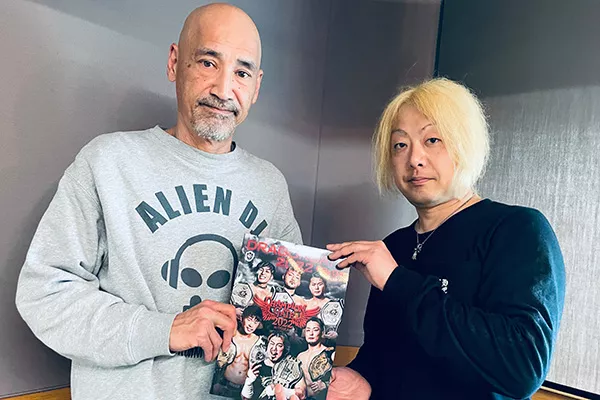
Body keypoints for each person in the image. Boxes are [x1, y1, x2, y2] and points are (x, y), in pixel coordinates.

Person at [15, 4, 302, 400]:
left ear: (256, 86)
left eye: (242, 72)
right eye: (208, 62)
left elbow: (285, 318)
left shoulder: (270, 187)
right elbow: (44, 295)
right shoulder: (108, 163)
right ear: (174, 63)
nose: (223, 90)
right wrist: (165, 330)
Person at [326, 78, 566, 399]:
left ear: (464, 143)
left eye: (432, 140)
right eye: (400, 145)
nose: (415, 159)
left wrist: (397, 280)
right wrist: (360, 377)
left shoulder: (516, 230)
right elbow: (385, 353)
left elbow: (523, 367)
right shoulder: (394, 246)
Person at [213, 305, 264, 398]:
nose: (251, 325)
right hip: (223, 383)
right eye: (249, 319)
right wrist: (216, 382)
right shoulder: (230, 334)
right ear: (241, 318)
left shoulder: (260, 342)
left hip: (243, 389)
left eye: (255, 322)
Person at [242, 331, 306, 400]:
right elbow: (245, 398)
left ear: (285, 349)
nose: (274, 348)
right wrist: (248, 382)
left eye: (279, 346)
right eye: (272, 344)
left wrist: (279, 390)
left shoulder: (292, 365)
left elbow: (302, 394)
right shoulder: (257, 367)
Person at [297, 318, 335, 400]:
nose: (311, 333)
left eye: (315, 330)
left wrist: (325, 385)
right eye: (308, 330)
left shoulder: (330, 353)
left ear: (322, 333)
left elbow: (342, 378)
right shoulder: (300, 356)